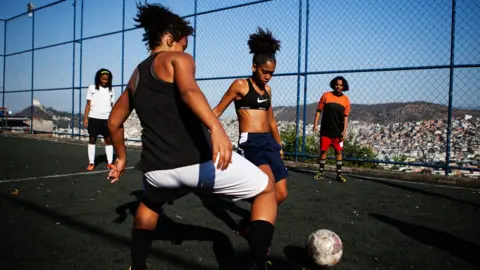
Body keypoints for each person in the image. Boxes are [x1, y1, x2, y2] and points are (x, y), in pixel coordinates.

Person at [107, 4, 277, 270]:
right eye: (183, 45)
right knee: (267, 189)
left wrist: (120, 157)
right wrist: (216, 128)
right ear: (169, 39)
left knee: (150, 204)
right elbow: (188, 91)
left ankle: (137, 265)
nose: (185, 52)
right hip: (195, 163)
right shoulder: (178, 59)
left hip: (156, 171)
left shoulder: (136, 76)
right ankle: (259, 263)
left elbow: (114, 122)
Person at [212, 27, 288, 208]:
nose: (268, 77)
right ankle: (254, 224)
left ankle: (250, 221)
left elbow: (270, 120)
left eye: (271, 73)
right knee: (267, 186)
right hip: (251, 142)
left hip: (269, 141)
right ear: (254, 67)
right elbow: (217, 111)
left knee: (282, 193)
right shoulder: (240, 85)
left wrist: (278, 145)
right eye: (265, 72)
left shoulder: (268, 90)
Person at [312, 76, 351, 183]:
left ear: (344, 87)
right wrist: (315, 124)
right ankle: (320, 172)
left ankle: (339, 174)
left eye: (341, 85)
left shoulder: (346, 100)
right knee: (323, 151)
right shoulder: (326, 95)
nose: (338, 86)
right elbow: (319, 110)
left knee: (338, 152)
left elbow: (346, 117)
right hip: (325, 130)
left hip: (338, 132)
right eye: (337, 84)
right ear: (334, 85)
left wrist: (344, 130)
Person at [83, 68, 115, 171]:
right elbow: (88, 104)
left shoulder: (111, 89)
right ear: (99, 78)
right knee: (92, 139)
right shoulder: (92, 88)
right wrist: (85, 118)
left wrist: (113, 118)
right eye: (103, 79)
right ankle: (91, 163)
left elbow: (112, 105)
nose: (105, 81)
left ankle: (110, 163)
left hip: (107, 118)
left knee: (108, 140)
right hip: (94, 118)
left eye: (107, 80)